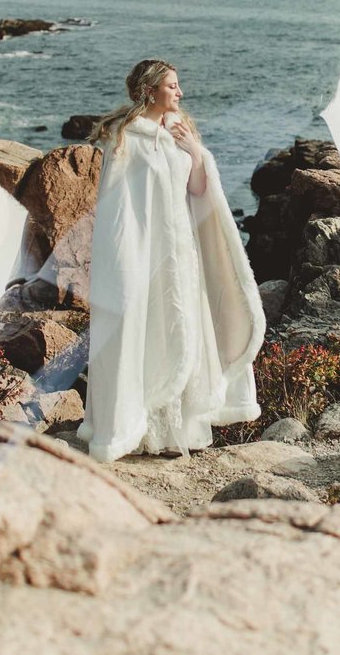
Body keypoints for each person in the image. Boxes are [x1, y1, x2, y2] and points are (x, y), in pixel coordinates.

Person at [76, 58, 265, 463]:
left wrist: (196, 154)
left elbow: (199, 191)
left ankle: (178, 431)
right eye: (173, 86)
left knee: (185, 334)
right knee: (151, 337)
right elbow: (118, 211)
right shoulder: (125, 139)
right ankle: (142, 432)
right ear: (150, 91)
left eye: (178, 86)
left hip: (184, 256)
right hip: (147, 258)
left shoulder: (181, 130)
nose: (180, 93)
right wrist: (123, 267)